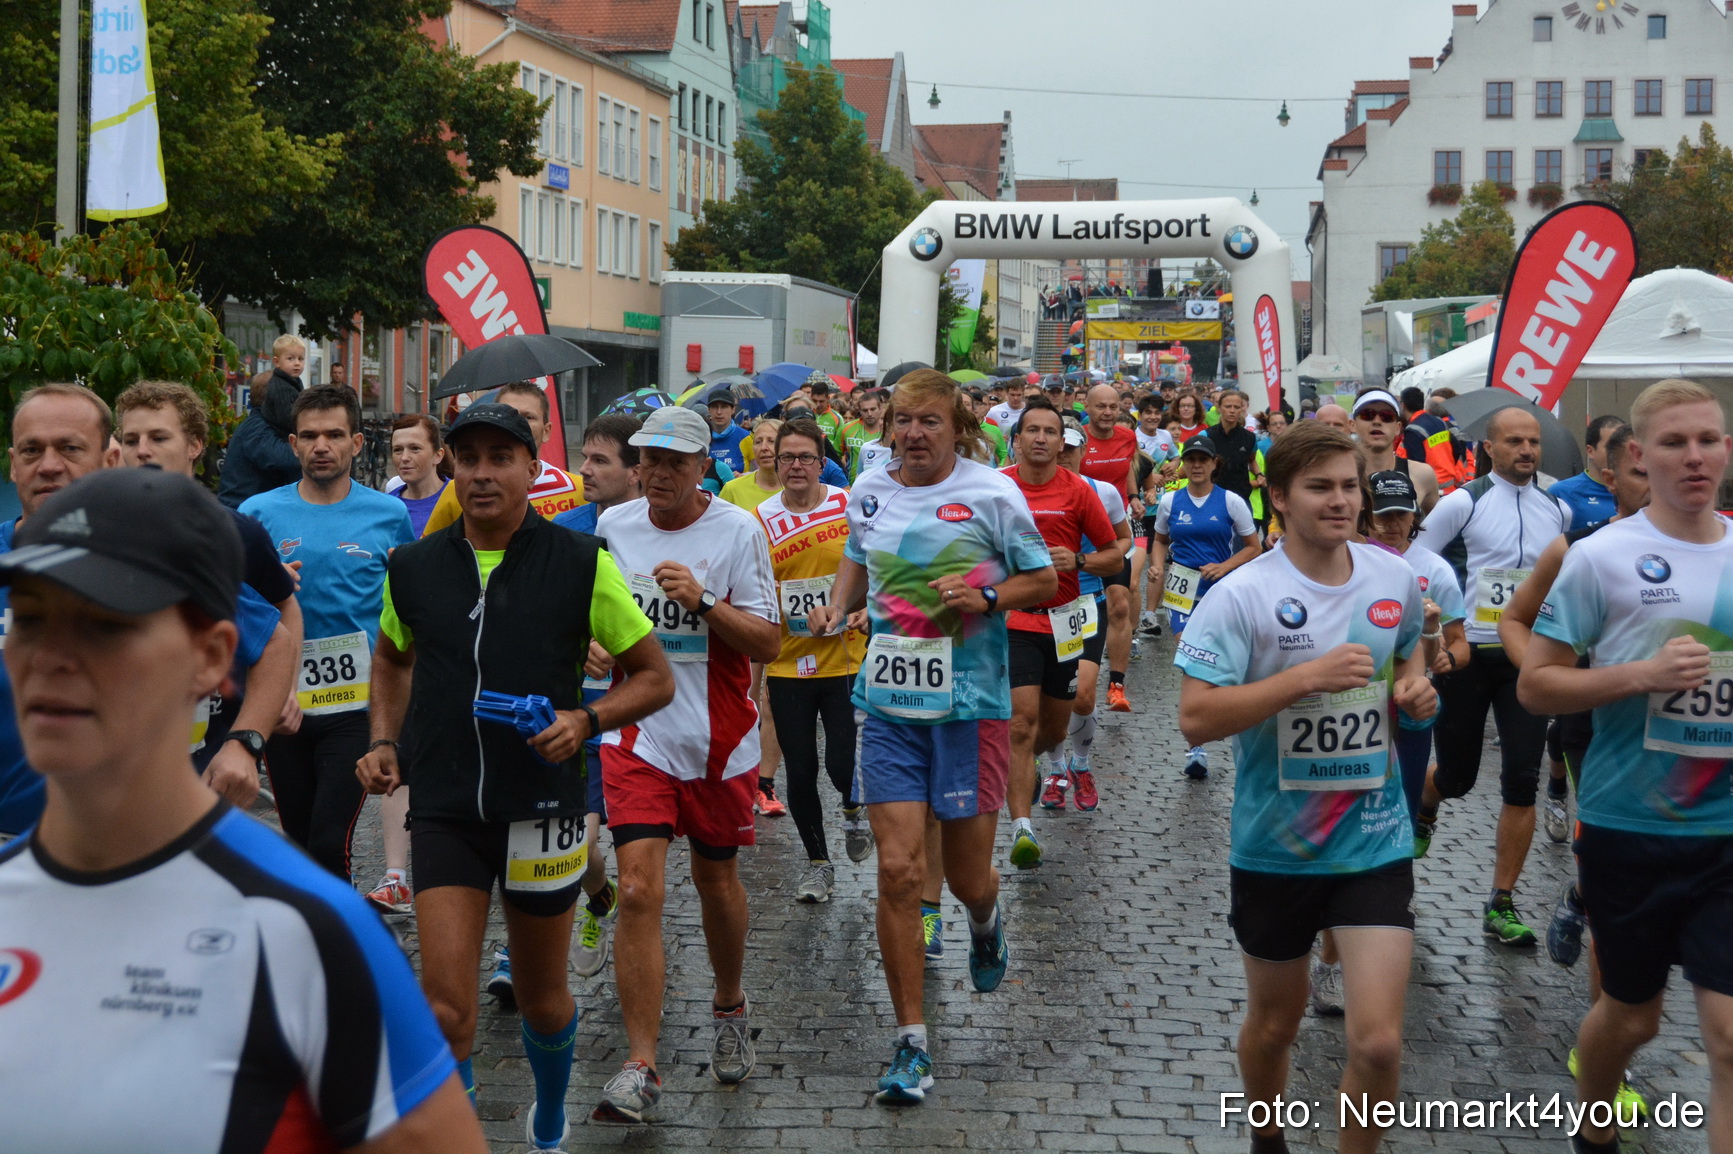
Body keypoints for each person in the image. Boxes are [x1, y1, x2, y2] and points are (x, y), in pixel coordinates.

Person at [0, 468, 486, 1154]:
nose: (51, 657)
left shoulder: (306, 931)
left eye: (104, 625)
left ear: (210, 656)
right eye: (29, 618)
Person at [357, 403, 673, 1149]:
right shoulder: (413, 567)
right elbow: (392, 659)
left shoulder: (580, 561)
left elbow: (654, 678)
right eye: (468, 458)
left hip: (541, 808)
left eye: (501, 458)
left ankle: (549, 1121)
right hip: (446, 804)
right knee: (445, 1009)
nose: (482, 474)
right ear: (450, 468)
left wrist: (585, 720)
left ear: (534, 468)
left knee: (542, 999)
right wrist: (383, 738)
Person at [1176, 421, 1437, 1154]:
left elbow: (1410, 653)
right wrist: (1303, 679)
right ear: (1280, 497)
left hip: (1373, 839)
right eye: (1320, 487)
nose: (1340, 501)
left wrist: (1416, 692)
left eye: (1349, 486)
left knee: (1378, 1043)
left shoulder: (1390, 577)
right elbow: (1195, 719)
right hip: (1275, 848)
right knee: (1274, 1025)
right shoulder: (1242, 594)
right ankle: (1267, 1139)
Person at [807, 369, 1056, 1105]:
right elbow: (857, 556)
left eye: (929, 421)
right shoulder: (868, 488)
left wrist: (985, 595)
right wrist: (837, 605)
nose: (913, 433)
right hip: (887, 704)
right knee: (898, 871)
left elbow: (1042, 581)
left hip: (969, 707)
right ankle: (910, 1042)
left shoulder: (993, 493)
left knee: (970, 878)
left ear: (958, 429)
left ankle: (984, 919)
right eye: (903, 420)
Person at [1518, 379, 1733, 1154]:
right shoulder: (1599, 558)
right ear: (1638, 455)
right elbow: (1535, 683)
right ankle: (1593, 1130)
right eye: (1673, 443)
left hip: (1725, 833)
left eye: (1706, 440)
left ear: (1726, 449)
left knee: (1727, 1037)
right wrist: (1639, 675)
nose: (1693, 456)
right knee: (1632, 1018)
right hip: (1627, 827)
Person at [592, 405, 781, 1123]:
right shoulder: (614, 527)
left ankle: (729, 1004)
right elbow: (596, 616)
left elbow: (767, 642)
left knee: (715, 881)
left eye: (675, 462)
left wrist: (702, 602)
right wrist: (592, 645)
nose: (658, 474)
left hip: (717, 741)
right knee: (639, 889)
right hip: (637, 734)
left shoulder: (737, 531)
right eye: (649, 460)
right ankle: (640, 1064)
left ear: (704, 467)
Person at [1498, 424, 1652, 1120]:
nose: (1660, 481)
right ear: (1609, 479)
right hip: (1598, 734)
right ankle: (1608, 1067)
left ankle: (1580, 892)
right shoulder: (1579, 548)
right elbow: (1514, 619)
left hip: (1696, 755)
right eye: (1641, 471)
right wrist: (1543, 672)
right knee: (1621, 887)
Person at [240, 385, 415, 880]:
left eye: (334, 435)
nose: (322, 446)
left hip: (356, 706)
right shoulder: (257, 514)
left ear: (356, 443)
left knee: (328, 837)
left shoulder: (389, 514)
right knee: (299, 839)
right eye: (310, 436)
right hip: (283, 702)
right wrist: (265, 583)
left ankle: (340, 926)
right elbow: (235, 603)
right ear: (293, 444)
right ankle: (314, 921)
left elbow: (407, 604)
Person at [1412, 406, 1570, 944]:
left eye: (1533, 442)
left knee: (1522, 781)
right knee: (1457, 778)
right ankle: (1427, 804)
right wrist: (1434, 628)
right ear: (1489, 447)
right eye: (1514, 441)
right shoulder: (1464, 501)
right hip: (1469, 656)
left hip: (1527, 659)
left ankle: (1501, 901)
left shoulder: (1556, 507)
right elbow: (1418, 562)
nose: (1526, 450)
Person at [114, 380, 303, 814]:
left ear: (195, 445)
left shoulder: (236, 533)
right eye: (131, 439)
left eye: (159, 438)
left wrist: (285, 692)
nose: (142, 451)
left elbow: (284, 607)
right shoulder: (98, 531)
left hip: (210, 767)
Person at [1000, 399, 1121, 870]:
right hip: (1014, 619)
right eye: (1032, 430)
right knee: (1021, 723)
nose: (1040, 438)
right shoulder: (998, 487)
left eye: (1049, 431)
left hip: (1066, 621)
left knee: (1052, 728)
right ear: (1016, 439)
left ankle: (1030, 764)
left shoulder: (1079, 491)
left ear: (1061, 442)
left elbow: (1114, 555)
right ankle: (1022, 828)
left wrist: (1080, 560)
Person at [755, 419, 872, 903]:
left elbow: (873, 566)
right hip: (788, 663)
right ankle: (818, 864)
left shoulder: (848, 506)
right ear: (775, 463)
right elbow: (752, 590)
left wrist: (866, 608)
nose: (796, 466)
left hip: (845, 658)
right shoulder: (759, 519)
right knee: (800, 769)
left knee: (843, 764)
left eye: (806, 457)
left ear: (822, 462)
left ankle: (853, 809)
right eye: (787, 457)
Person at [0, 385, 121, 839]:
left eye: (70, 448)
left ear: (109, 461)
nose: (49, 465)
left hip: (123, 849)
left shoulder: (156, 560)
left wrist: (243, 742)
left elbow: (273, 635)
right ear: (14, 464)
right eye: (32, 450)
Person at [552, 413, 647, 980]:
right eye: (583, 458)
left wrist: (628, 647)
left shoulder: (659, 528)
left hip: (646, 721)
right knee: (577, 849)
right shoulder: (564, 530)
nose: (584, 470)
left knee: (644, 870)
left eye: (599, 461)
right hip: (583, 716)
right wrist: (578, 645)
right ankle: (597, 899)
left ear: (636, 472)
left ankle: (639, 938)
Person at [1152, 436, 1260, 778]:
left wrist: (1224, 567)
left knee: (1216, 661)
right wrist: (1156, 566)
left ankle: (1225, 721)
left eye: (1203, 459)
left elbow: (1253, 547)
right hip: (1181, 589)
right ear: (1184, 464)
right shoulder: (1170, 501)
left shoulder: (1231, 501)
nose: (1196, 465)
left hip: (1218, 591)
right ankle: (1196, 746)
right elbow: (1160, 540)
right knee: (1190, 657)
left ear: (1214, 464)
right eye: (1191, 459)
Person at [1046, 421, 1133, 813]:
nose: (1063, 455)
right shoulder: (1022, 488)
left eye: (1071, 449)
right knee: (1050, 699)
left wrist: (1088, 562)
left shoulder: (1103, 492)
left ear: (1084, 452)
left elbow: (1123, 540)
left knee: (1081, 694)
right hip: (1040, 603)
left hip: (1085, 601)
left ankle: (1080, 765)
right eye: (1059, 448)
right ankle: (1055, 769)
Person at [421, 382, 585, 535]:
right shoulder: (459, 489)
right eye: (508, 414)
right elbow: (431, 547)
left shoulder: (577, 489)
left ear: (546, 431)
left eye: (528, 417)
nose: (518, 423)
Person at [1081, 384, 1141, 713]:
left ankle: (1116, 686)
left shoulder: (1127, 437)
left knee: (1120, 605)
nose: (1107, 412)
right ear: (1087, 408)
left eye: (1113, 407)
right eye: (1100, 406)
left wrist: (1132, 496)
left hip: (1116, 533)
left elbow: (1126, 469)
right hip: (1080, 538)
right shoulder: (1077, 440)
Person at [215, 336, 306, 509]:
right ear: (271, 399)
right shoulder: (255, 429)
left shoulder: (266, 424)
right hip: (240, 512)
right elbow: (287, 458)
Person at [1352, 389, 1440, 515]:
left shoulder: (1422, 475)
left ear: (1398, 428)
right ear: (1352, 425)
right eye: (1368, 414)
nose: (1377, 421)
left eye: (1387, 416)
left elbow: (1437, 523)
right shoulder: (1339, 474)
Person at [1548, 415, 1627, 531]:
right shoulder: (1562, 493)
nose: (1617, 453)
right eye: (1610, 447)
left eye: (1622, 447)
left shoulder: (1638, 491)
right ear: (1590, 451)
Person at [389, 414, 452, 537]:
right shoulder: (387, 505)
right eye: (397, 450)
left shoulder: (458, 497)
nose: (404, 458)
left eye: (415, 448)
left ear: (438, 455)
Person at [1204, 388, 1264, 512]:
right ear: (1219, 408)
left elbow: (1251, 460)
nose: (1232, 411)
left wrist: (1259, 474)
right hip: (1213, 497)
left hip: (1241, 498)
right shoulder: (1206, 435)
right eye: (1228, 406)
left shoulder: (1250, 438)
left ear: (1241, 409)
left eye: (1236, 407)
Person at [720, 418, 784, 510]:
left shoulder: (798, 488)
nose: (763, 447)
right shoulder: (732, 489)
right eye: (758, 442)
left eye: (771, 441)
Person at [840, 388, 888, 481]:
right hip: (852, 484)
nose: (869, 414)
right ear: (859, 410)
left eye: (873, 409)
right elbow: (835, 455)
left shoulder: (889, 432)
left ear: (881, 407)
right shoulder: (847, 429)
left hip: (881, 484)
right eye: (865, 410)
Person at [705, 388, 754, 473]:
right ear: (708, 410)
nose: (719, 412)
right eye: (714, 407)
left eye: (724, 407)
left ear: (733, 410)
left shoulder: (746, 437)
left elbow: (762, 471)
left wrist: (744, 476)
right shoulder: (702, 437)